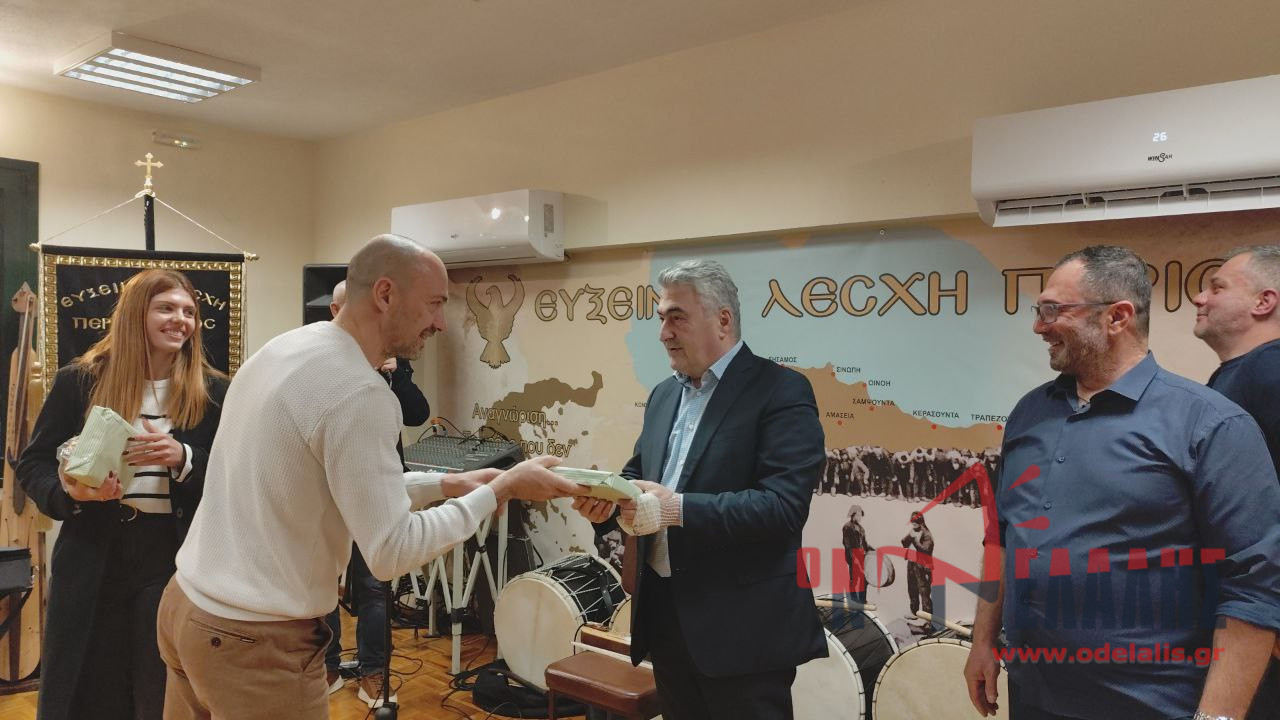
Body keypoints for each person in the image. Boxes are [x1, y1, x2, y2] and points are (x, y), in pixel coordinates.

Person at [156, 234, 583, 720]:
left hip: (187, 608)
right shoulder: (360, 392)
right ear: (385, 294)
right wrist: (501, 489)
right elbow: (391, 551)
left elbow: (330, 485)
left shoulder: (285, 348)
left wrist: (447, 485)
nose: (441, 322)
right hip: (253, 641)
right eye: (435, 303)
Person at [963, 245, 1280, 720]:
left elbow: (1254, 587)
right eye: (1039, 310)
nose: (1039, 327)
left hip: (1151, 703)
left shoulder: (1210, 425)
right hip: (1032, 693)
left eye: (1054, 310)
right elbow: (1003, 535)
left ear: (1117, 317)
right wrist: (983, 640)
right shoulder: (1030, 412)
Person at [574, 258, 827, 720]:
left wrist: (675, 509)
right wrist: (606, 504)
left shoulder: (781, 391)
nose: (663, 333)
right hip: (666, 619)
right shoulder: (663, 395)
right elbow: (638, 476)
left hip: (743, 633)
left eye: (677, 317)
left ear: (723, 320)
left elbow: (783, 507)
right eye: (661, 318)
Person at [17, 269, 228, 720]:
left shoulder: (214, 391)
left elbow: (236, 473)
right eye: (166, 308)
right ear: (136, 314)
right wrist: (71, 493)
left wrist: (184, 457)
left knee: (159, 687)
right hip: (94, 547)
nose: (181, 320)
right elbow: (33, 465)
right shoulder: (80, 381)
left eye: (189, 312)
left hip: (171, 555)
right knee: (91, 684)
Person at [322, 280, 433, 707]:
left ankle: (373, 672)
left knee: (373, 585)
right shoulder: (320, 357)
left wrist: (394, 374)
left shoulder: (392, 358)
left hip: (378, 488)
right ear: (335, 312)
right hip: (328, 487)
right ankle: (328, 665)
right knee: (324, 583)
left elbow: (418, 413)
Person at [1191, 244, 1280, 720]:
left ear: (1263, 302)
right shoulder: (1239, 376)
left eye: (1217, 287)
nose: (1200, 298)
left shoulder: (1270, 371)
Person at [901, 510, 934, 618]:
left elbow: (926, 550)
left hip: (922, 567)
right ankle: (913, 612)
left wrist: (915, 540)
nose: (913, 524)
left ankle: (927, 618)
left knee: (924, 591)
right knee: (912, 589)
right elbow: (904, 543)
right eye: (912, 522)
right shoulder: (913, 531)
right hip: (911, 564)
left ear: (921, 522)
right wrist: (909, 537)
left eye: (916, 522)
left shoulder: (926, 534)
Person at [842, 504, 872, 604]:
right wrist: (853, 559)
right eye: (858, 515)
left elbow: (865, 544)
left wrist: (874, 550)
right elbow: (847, 545)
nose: (860, 517)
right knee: (854, 579)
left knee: (864, 579)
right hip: (852, 556)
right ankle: (853, 600)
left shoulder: (861, 528)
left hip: (862, 556)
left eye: (860, 515)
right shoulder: (847, 527)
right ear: (853, 515)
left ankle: (862, 600)